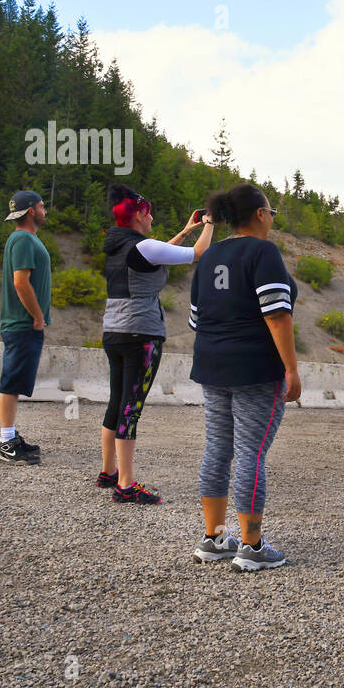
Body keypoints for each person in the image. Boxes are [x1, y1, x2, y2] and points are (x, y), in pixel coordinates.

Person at [188, 183, 302, 570]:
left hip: (211, 363)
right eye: (271, 212)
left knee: (218, 448)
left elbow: (195, 318)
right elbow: (276, 313)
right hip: (255, 367)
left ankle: (215, 538)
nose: (272, 219)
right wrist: (291, 368)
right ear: (258, 214)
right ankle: (251, 546)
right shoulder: (263, 251)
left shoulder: (208, 255)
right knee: (251, 453)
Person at [95, 184, 215, 504]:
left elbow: (156, 252)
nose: (151, 218)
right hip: (141, 335)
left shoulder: (120, 244)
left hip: (114, 331)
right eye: (148, 213)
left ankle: (109, 472)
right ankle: (126, 484)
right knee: (130, 409)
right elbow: (198, 255)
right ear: (138, 214)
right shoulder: (143, 246)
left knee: (117, 401)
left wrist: (186, 231)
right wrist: (211, 224)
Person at [0, 190, 51, 464]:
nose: (45, 210)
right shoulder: (23, 239)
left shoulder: (24, 239)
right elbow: (20, 282)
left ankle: (11, 436)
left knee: (16, 380)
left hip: (22, 324)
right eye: (42, 206)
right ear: (31, 211)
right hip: (22, 323)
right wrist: (38, 317)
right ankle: (5, 442)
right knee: (11, 380)